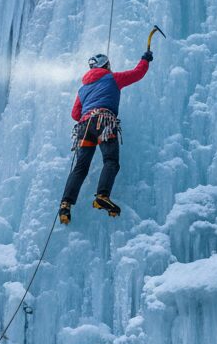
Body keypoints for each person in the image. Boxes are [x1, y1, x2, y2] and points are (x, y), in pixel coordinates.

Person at [58, 49, 153, 223]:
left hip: (84, 127)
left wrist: (89, 111)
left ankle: (66, 204)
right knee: (110, 161)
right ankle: (102, 195)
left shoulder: (83, 89)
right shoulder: (112, 78)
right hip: (104, 121)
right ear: (106, 65)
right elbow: (137, 73)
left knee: (80, 168)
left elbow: (75, 114)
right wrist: (145, 59)